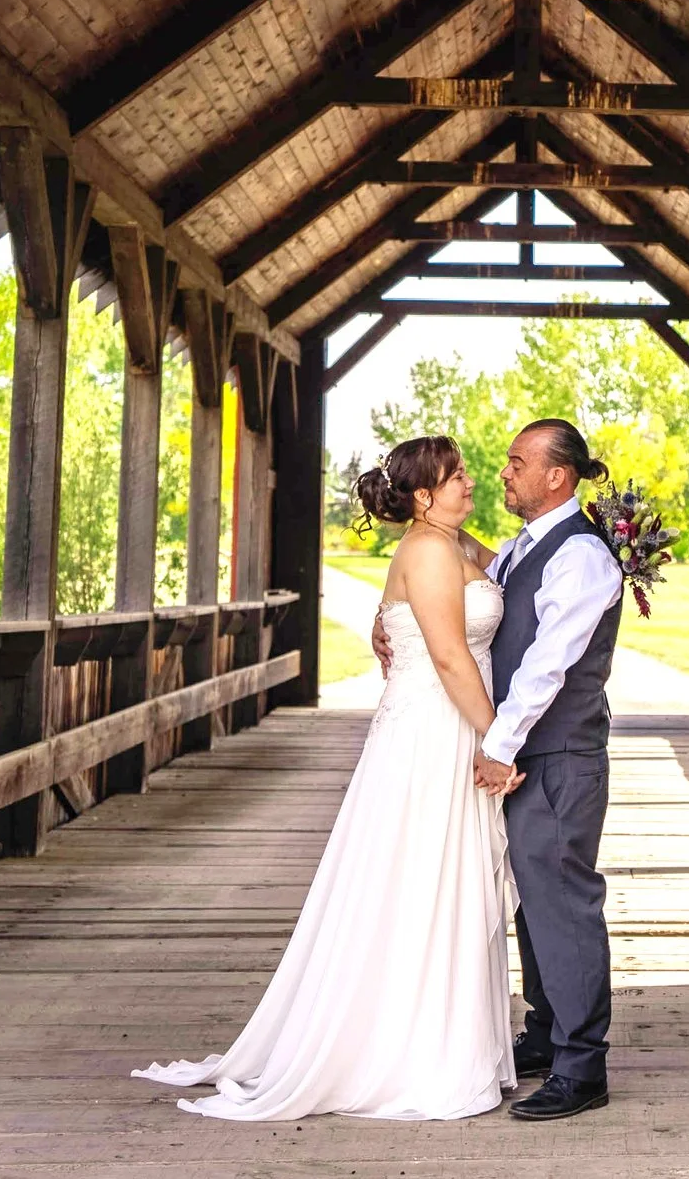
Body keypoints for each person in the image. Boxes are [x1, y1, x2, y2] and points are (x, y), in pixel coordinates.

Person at [132, 435, 519, 1121]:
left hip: (447, 725)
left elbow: (512, 567)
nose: (471, 483)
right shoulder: (428, 550)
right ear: (424, 496)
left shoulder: (452, 544)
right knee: (416, 881)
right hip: (434, 734)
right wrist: (500, 743)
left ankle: (443, 1038)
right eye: (457, 477)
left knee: (440, 881)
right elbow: (453, 658)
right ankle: (402, 1054)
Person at [438, 419, 627, 1121]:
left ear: (558, 476)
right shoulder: (528, 546)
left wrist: (499, 743)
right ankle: (546, 1034)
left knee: (564, 902)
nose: (506, 473)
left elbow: (549, 664)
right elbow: (486, 583)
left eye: (518, 463)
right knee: (532, 901)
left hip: (560, 754)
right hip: (536, 755)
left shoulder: (580, 557)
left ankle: (584, 1066)